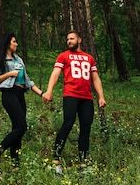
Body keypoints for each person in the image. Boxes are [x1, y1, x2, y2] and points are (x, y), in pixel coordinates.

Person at [42, 30, 106, 173]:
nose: (69, 41)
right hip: (71, 95)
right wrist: (49, 90)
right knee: (68, 123)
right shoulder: (63, 56)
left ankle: (83, 163)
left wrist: (101, 97)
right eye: (67, 39)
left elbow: (95, 78)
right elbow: (55, 74)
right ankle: (55, 160)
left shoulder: (89, 58)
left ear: (79, 40)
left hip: (87, 98)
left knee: (85, 128)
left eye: (71, 39)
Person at [0, 33, 44, 173]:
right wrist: (9, 74)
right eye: (14, 41)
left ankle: (15, 166)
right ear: (8, 44)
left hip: (19, 95)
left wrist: (42, 94)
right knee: (22, 126)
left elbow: (28, 81)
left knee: (17, 129)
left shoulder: (19, 59)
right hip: (9, 93)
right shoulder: (2, 60)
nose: (16, 44)